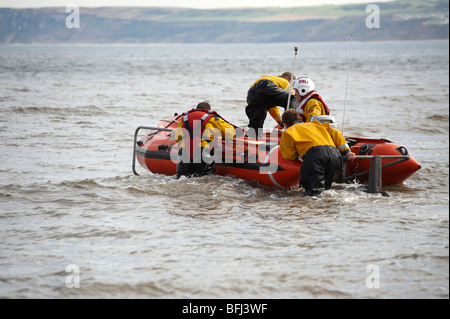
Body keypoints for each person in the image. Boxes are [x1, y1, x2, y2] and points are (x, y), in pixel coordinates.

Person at [279, 109, 356, 196]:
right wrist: (347, 151)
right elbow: (337, 134)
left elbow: (288, 155)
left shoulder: (289, 131)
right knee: (326, 191)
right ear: (300, 119)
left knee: (313, 193)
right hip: (334, 155)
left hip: (316, 157)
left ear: (285, 124)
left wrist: (299, 155)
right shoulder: (317, 124)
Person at [174, 102, 235, 178]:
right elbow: (230, 132)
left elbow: (177, 137)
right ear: (208, 110)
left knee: (182, 177)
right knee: (204, 178)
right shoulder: (212, 118)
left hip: (184, 151)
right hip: (203, 152)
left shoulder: (185, 118)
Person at [245, 72, 299, 137]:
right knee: (293, 99)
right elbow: (292, 97)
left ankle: (253, 136)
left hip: (252, 93)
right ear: (287, 78)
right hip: (266, 85)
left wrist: (280, 121)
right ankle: (289, 122)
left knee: (257, 120)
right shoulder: (284, 81)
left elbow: (272, 106)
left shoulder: (272, 78)